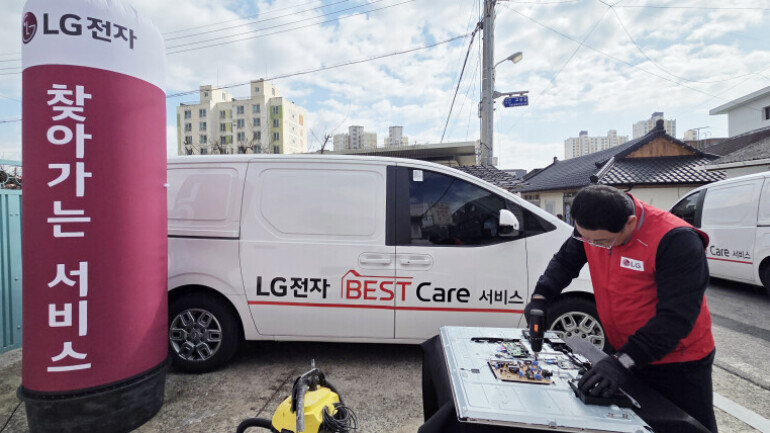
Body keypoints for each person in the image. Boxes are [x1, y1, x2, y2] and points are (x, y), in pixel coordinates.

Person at [524, 184, 717, 433]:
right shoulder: (593, 228)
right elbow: (565, 261)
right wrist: (541, 297)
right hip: (627, 353)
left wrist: (622, 362)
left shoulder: (676, 240)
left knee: (687, 428)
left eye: (602, 242)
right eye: (585, 238)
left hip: (678, 362)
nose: (592, 245)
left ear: (630, 223)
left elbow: (676, 318)